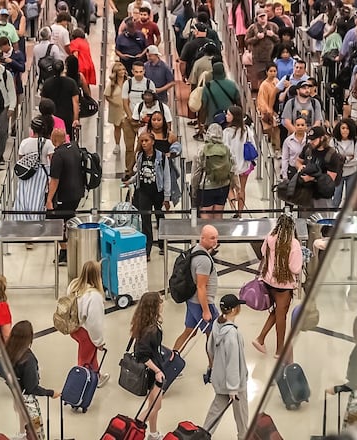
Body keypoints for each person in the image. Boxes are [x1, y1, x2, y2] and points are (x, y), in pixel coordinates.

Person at [252, 214, 302, 360]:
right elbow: (295, 268)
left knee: (277, 311)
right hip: (283, 285)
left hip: (269, 281)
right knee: (282, 316)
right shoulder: (293, 244)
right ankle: (279, 350)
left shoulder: (270, 238)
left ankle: (260, 339)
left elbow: (263, 253)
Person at [172, 225, 220, 362]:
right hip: (202, 303)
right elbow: (201, 287)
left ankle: (171, 362)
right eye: (212, 238)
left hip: (192, 301)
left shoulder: (196, 250)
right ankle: (213, 367)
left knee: (189, 332)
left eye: (216, 238)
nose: (215, 241)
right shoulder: (203, 260)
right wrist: (206, 311)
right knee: (212, 335)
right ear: (202, 238)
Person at [203, 294, 249, 439]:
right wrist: (233, 388)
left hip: (220, 378)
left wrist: (216, 367)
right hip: (235, 383)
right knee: (241, 414)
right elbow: (233, 363)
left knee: (215, 411)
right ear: (235, 310)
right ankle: (243, 436)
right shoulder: (232, 335)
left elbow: (209, 348)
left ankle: (203, 434)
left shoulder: (217, 324)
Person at [6, 321, 60, 440]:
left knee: (22, 415)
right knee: (36, 426)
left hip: (17, 393)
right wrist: (50, 393)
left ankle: (22, 434)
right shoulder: (28, 359)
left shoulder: (8, 351)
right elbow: (32, 387)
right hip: (28, 400)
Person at [123, 132, 172, 260]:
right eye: (141, 141)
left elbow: (166, 176)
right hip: (144, 192)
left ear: (152, 141)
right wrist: (131, 181)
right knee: (145, 221)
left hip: (158, 192)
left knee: (160, 217)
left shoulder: (161, 157)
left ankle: (162, 244)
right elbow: (139, 173)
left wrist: (167, 197)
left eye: (146, 141)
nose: (143, 143)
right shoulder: (139, 156)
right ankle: (147, 250)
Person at [131, 291, 168, 440]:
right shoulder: (152, 330)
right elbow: (142, 354)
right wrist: (158, 370)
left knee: (152, 404)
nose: (162, 304)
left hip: (151, 370)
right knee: (155, 407)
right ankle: (133, 427)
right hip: (153, 372)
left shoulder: (144, 324)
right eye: (160, 302)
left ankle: (153, 433)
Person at [67, 261, 109, 386]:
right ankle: (79, 386)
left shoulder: (74, 285)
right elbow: (94, 324)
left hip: (74, 328)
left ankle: (97, 376)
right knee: (83, 361)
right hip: (86, 333)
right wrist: (99, 342)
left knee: (91, 354)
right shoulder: (94, 296)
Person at [46, 128, 85, 265]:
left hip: (64, 195)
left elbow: (55, 180)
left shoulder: (58, 155)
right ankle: (68, 251)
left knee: (58, 223)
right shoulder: (74, 148)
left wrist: (49, 199)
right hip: (77, 192)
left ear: (54, 140)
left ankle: (65, 252)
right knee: (69, 219)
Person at [13, 117, 54, 224]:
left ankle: (22, 222)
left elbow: (21, 159)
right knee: (37, 199)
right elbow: (52, 160)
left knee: (23, 197)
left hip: (26, 173)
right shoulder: (48, 143)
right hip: (41, 174)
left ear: (32, 129)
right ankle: (36, 223)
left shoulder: (24, 142)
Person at [192, 124, 238, 219]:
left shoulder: (202, 150)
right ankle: (218, 233)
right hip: (223, 186)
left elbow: (195, 174)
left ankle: (208, 233)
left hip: (206, 187)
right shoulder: (227, 149)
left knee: (206, 215)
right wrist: (235, 186)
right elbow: (233, 169)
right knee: (218, 214)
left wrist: (194, 190)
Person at [295, 126, 344, 210]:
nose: (311, 142)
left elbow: (330, 179)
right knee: (303, 221)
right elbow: (298, 161)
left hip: (322, 196)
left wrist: (311, 178)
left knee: (322, 220)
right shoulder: (307, 148)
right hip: (306, 194)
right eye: (310, 140)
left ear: (322, 138)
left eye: (314, 140)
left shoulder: (331, 155)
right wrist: (300, 167)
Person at [121, 61, 155, 176]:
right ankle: (129, 170)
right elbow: (125, 102)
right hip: (129, 120)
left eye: (141, 71)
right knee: (129, 147)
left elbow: (153, 102)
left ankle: (140, 168)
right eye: (136, 72)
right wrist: (131, 117)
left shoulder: (150, 84)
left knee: (142, 146)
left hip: (144, 122)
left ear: (144, 71)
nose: (139, 74)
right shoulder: (128, 84)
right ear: (132, 72)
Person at [222, 106, 254, 217]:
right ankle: (240, 212)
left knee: (229, 187)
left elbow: (225, 149)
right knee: (242, 189)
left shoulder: (226, 132)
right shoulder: (247, 130)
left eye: (228, 114)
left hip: (231, 166)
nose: (226, 116)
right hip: (245, 165)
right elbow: (253, 145)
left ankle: (233, 209)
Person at [40, 59, 81, 137]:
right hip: (68, 117)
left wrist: (44, 117)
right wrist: (75, 119)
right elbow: (75, 102)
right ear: (63, 68)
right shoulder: (71, 83)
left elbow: (43, 103)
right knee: (67, 139)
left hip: (51, 118)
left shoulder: (47, 83)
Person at [244, 9, 281, 88]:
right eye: (260, 16)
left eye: (264, 16)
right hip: (257, 58)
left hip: (271, 57)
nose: (262, 18)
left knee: (270, 78)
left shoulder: (273, 26)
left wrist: (272, 35)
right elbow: (247, 41)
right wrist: (256, 38)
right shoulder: (253, 27)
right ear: (257, 17)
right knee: (260, 77)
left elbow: (279, 40)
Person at [331, 118, 357, 208]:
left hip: (352, 172)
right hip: (338, 173)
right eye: (343, 128)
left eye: (347, 128)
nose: (345, 130)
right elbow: (333, 159)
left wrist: (343, 160)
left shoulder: (355, 142)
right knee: (336, 198)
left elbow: (356, 160)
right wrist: (349, 157)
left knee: (350, 198)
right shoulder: (333, 141)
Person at [201, 62, 240, 133]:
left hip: (212, 124)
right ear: (224, 72)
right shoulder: (232, 85)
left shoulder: (207, 87)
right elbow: (239, 104)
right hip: (229, 124)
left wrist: (202, 123)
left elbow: (203, 108)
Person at [105, 61, 128, 155]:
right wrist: (114, 103)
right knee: (117, 128)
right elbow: (107, 96)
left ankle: (128, 146)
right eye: (120, 70)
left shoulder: (128, 82)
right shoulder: (112, 84)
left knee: (127, 129)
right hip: (116, 110)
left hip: (126, 109)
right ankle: (117, 145)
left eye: (123, 69)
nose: (122, 72)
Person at [256, 65, 280, 151]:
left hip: (276, 110)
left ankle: (277, 148)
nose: (273, 73)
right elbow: (262, 100)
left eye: (274, 71)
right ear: (267, 72)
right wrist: (268, 110)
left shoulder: (277, 81)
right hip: (267, 111)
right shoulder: (264, 85)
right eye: (271, 71)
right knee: (269, 132)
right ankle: (270, 150)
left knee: (277, 131)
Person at [281, 116, 308, 180]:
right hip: (292, 170)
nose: (300, 127)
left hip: (306, 170)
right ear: (294, 126)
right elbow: (285, 158)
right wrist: (284, 175)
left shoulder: (310, 140)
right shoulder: (288, 141)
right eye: (298, 125)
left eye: (302, 125)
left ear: (306, 126)